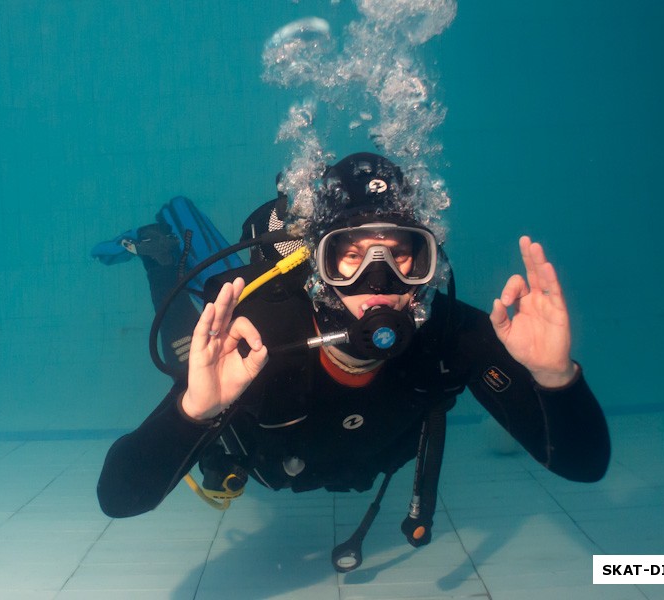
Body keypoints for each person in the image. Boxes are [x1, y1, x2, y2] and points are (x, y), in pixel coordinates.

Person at [95, 152, 610, 571]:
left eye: (401, 254)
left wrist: (555, 378)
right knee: (189, 337)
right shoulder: (255, 339)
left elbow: (583, 465)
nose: (378, 281)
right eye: (351, 254)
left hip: (337, 459)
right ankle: (161, 254)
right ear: (318, 266)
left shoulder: (454, 336)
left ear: (427, 264)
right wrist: (196, 410)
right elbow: (119, 498)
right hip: (258, 450)